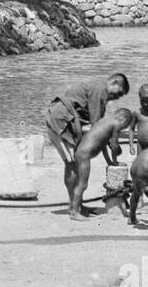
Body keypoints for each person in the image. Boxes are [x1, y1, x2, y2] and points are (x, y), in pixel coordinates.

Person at [45, 72, 130, 220]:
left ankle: (76, 205)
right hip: (61, 120)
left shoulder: (98, 90)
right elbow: (96, 122)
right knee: (71, 164)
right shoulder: (100, 89)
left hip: (66, 119)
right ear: (114, 82)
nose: (118, 97)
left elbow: (97, 128)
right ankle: (74, 209)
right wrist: (111, 144)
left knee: (72, 165)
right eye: (119, 93)